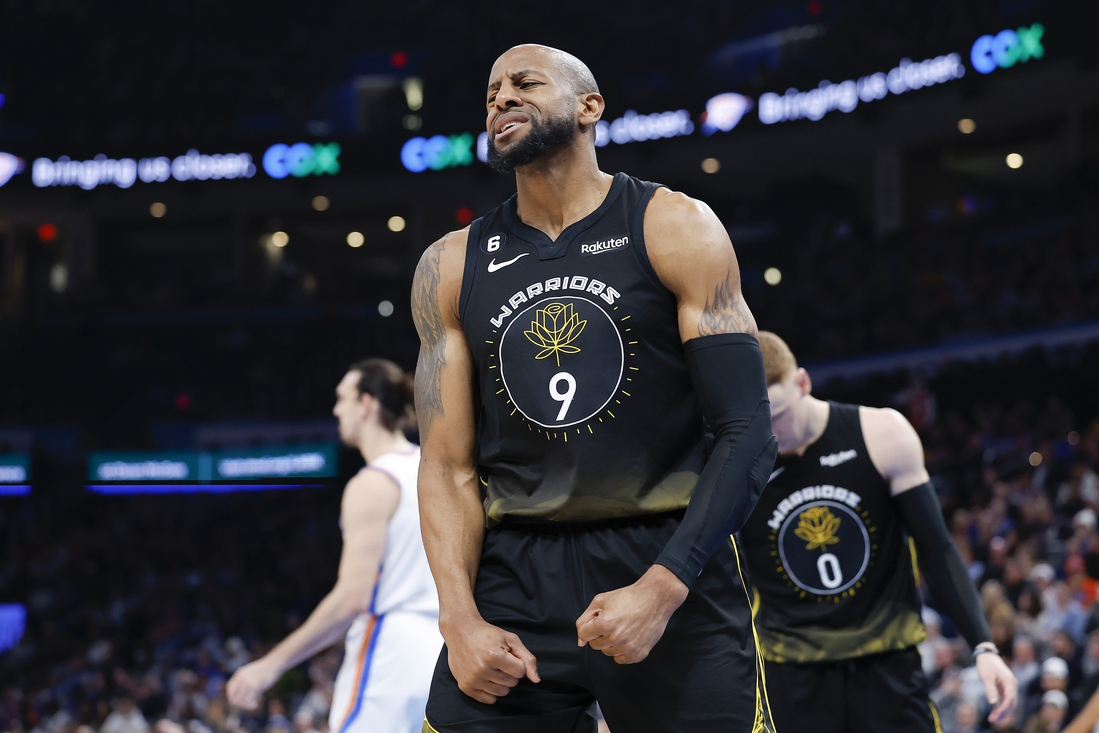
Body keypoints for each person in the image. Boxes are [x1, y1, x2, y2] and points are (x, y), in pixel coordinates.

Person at [411, 44, 776, 733]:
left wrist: (664, 586)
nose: (501, 98)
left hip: (663, 554)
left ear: (589, 106)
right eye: (491, 92)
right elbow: (446, 464)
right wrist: (458, 619)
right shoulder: (450, 265)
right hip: (516, 573)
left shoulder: (674, 225)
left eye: (525, 83)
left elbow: (747, 432)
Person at [738, 331, 1018, 733]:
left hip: (887, 662)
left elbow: (936, 548)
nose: (770, 432)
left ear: (802, 383)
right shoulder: (739, 462)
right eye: (756, 420)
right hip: (791, 673)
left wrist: (983, 646)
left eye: (778, 415)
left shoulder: (881, 434)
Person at [227, 360, 441, 733]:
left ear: (366, 404)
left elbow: (352, 598)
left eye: (342, 398)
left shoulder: (373, 482)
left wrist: (270, 664)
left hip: (392, 654)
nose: (336, 410)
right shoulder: (435, 467)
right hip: (444, 651)